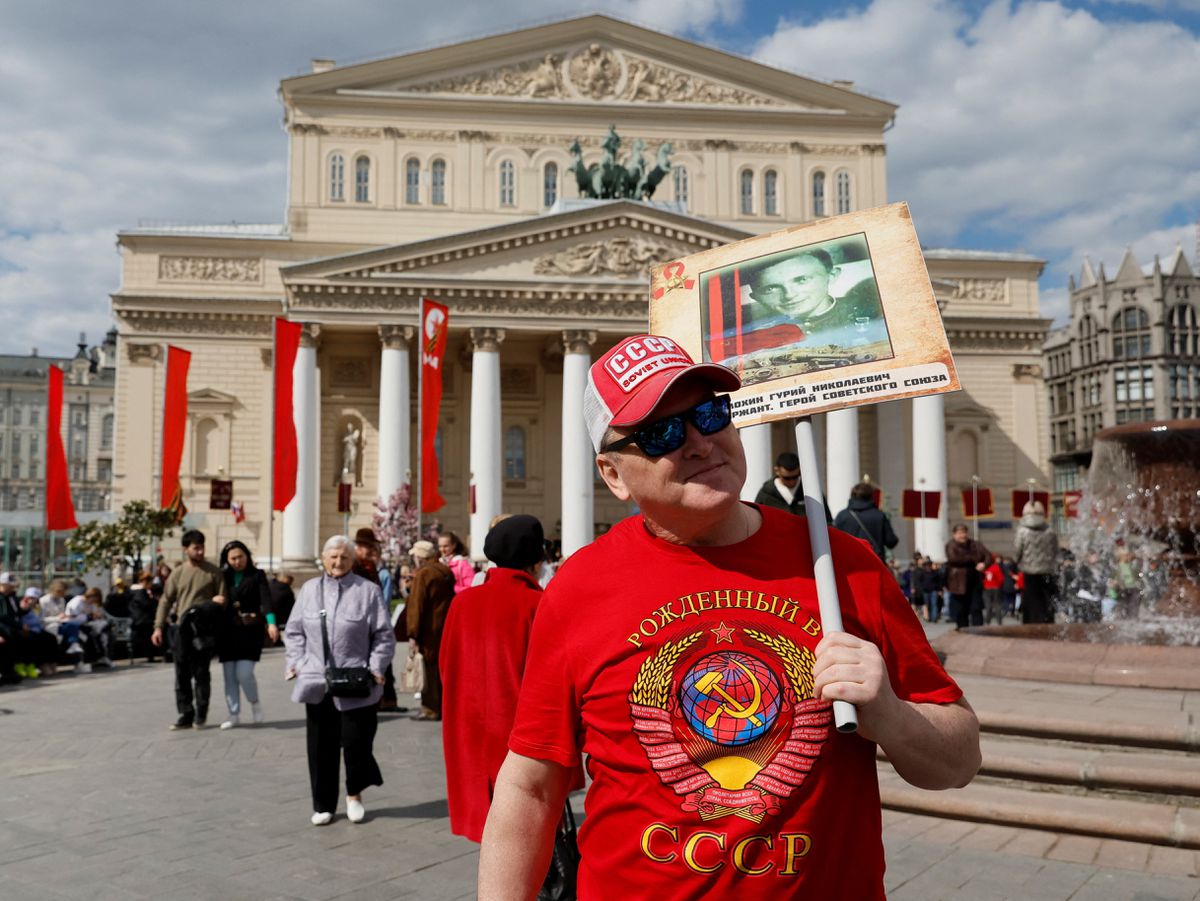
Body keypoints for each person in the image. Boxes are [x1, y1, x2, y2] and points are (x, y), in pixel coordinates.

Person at [479, 334, 979, 899]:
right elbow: (530, 789)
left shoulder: (842, 565)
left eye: (711, 414)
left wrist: (889, 714)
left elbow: (957, 761)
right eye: (662, 432)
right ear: (614, 474)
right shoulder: (578, 588)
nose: (699, 442)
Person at [441, 514, 551, 841]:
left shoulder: (462, 603)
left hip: (468, 725)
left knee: (486, 817)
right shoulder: (539, 604)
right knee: (525, 829)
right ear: (535, 562)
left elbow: (447, 666)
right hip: (522, 731)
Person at [285, 535, 395, 826]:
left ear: (353, 560)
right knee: (321, 745)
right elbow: (294, 631)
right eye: (332, 556)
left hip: (356, 680)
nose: (337, 562)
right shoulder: (309, 590)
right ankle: (323, 804)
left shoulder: (368, 592)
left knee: (356, 742)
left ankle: (354, 795)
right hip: (316, 680)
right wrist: (297, 662)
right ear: (324, 559)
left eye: (344, 557)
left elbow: (383, 635)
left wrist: (375, 666)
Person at [738, 248, 888, 355]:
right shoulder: (750, 338)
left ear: (832, 275)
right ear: (756, 298)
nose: (789, 295)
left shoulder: (874, 315)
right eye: (770, 289)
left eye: (802, 280)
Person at [152, 530, 224, 730]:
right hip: (182, 631)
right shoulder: (177, 573)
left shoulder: (213, 572)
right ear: (186, 550)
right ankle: (185, 712)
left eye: (202, 547)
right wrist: (158, 627)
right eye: (196, 548)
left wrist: (215, 604)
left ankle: (201, 713)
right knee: (181, 674)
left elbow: (222, 599)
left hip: (204, 631)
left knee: (201, 673)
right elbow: (166, 601)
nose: (200, 551)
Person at [214, 540, 273, 729]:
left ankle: (254, 702)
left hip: (250, 631)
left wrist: (271, 624)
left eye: (240, 557)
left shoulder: (257, 575)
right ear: (226, 560)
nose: (237, 561)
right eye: (233, 558)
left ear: (247, 556)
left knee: (244, 673)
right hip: (227, 632)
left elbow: (266, 600)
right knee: (229, 675)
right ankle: (233, 713)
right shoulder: (222, 576)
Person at [406, 540, 455, 721]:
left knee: (428, 669)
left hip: (428, 629)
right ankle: (443, 706)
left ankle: (430, 708)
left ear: (421, 557)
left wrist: (413, 632)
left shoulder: (424, 574)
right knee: (441, 669)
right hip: (443, 625)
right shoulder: (445, 571)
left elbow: (416, 605)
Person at [352, 528, 399, 712]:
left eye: (370, 546)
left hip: (374, 620)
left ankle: (382, 698)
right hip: (360, 620)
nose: (369, 550)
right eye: (365, 546)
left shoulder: (373, 568)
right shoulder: (357, 566)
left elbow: (382, 598)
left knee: (380, 660)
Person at [1013, 501, 1059, 624]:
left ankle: (1030, 624)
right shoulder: (1050, 530)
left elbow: (1017, 551)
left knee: (1030, 599)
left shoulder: (1022, 531)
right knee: (1046, 599)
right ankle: (1048, 623)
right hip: (1047, 570)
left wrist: (1017, 562)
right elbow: (1055, 550)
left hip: (1029, 570)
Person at [833, 482, 899, 562]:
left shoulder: (842, 516)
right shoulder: (879, 516)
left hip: (849, 564)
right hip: (873, 563)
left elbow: (834, 542)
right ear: (871, 496)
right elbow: (891, 541)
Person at [944, 524, 991, 630]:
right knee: (961, 610)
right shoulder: (951, 545)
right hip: (958, 583)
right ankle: (962, 630)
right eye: (960, 533)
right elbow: (954, 559)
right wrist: (975, 559)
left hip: (975, 581)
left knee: (976, 608)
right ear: (954, 534)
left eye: (964, 532)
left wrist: (984, 564)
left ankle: (979, 631)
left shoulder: (975, 544)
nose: (962, 535)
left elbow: (988, 555)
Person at [66, 587, 113, 669]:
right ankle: (88, 660)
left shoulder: (90, 604)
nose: (93, 602)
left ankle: (102, 657)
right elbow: (72, 617)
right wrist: (89, 617)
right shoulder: (77, 602)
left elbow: (95, 613)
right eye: (94, 600)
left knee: (104, 633)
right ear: (91, 596)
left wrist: (96, 615)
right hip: (75, 626)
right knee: (89, 635)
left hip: (88, 624)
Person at [128, 572, 159, 662]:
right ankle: (152, 655)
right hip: (142, 621)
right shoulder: (140, 592)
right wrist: (153, 599)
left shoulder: (135, 592)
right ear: (146, 582)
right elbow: (148, 605)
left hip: (138, 620)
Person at [267, 572, 296, 640]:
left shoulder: (270, 584)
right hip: (282, 617)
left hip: (268, 615)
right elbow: (292, 605)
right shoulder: (286, 589)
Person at [982, 555, 1005, 625]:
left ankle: (987, 621)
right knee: (997, 605)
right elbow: (1001, 579)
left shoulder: (984, 568)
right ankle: (999, 621)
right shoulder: (996, 567)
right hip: (996, 587)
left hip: (986, 588)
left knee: (988, 605)